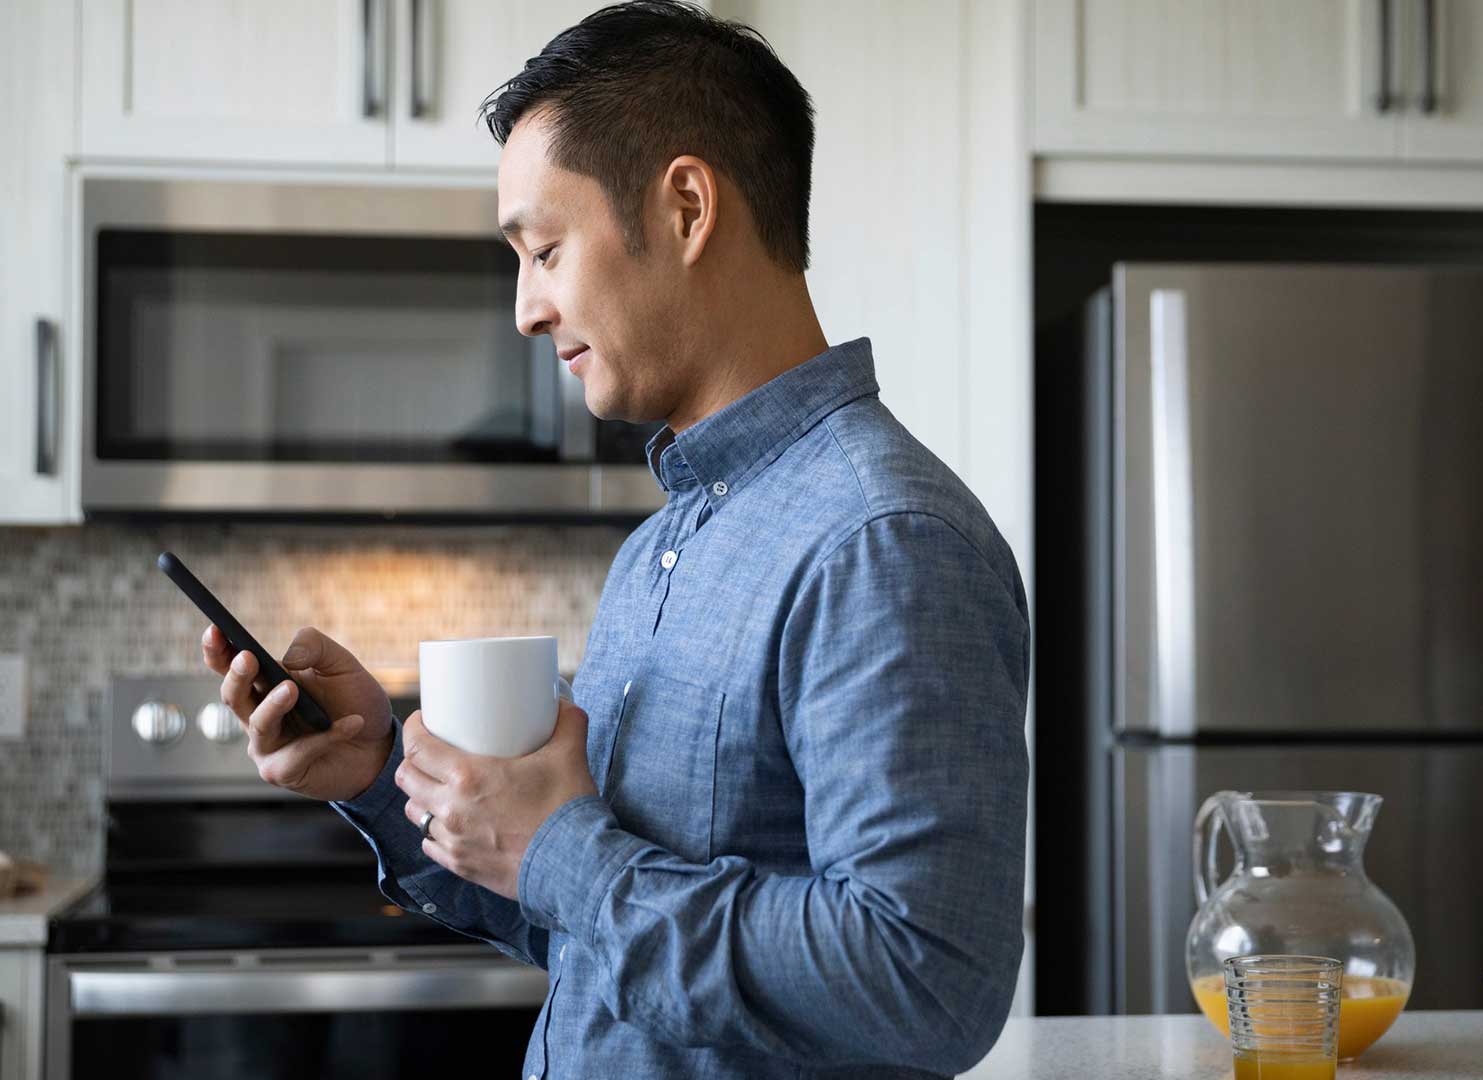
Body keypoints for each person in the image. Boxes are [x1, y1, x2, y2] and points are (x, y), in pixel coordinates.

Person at [199, 3, 1030, 1076]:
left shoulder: (882, 541)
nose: (524, 310)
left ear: (686, 207)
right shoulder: (664, 547)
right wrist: (379, 778)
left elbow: (929, 982)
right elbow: (596, 933)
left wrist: (564, 854)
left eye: (546, 249)